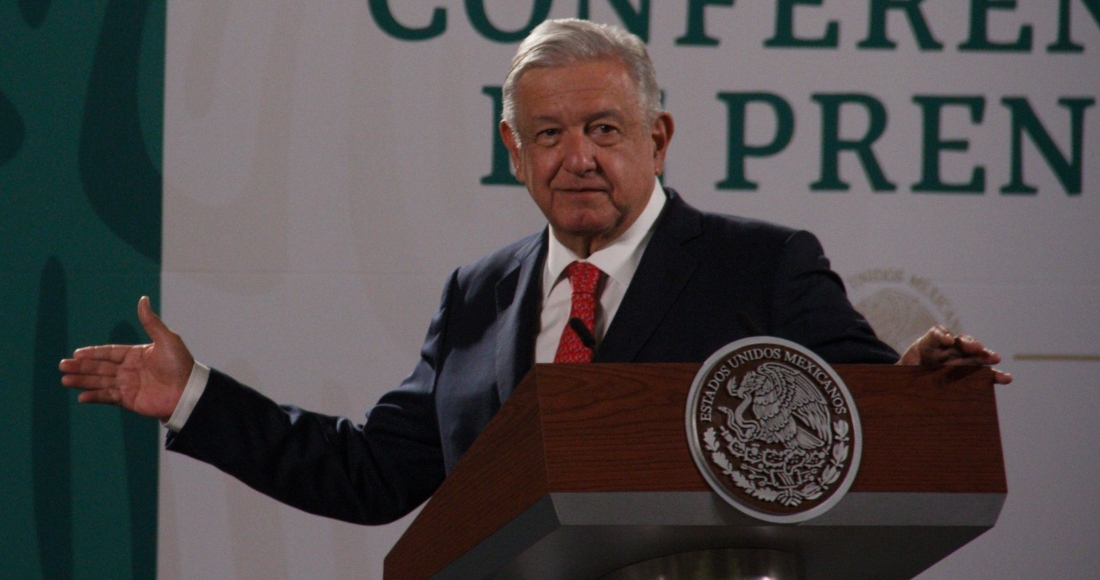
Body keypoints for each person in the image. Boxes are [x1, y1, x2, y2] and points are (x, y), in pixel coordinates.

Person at [59, 19, 1010, 526]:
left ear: (658, 138)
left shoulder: (762, 264)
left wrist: (913, 387)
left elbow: (855, 408)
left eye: (603, 129)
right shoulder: (476, 295)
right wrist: (195, 396)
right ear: (514, 152)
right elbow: (374, 475)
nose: (577, 157)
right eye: (548, 134)